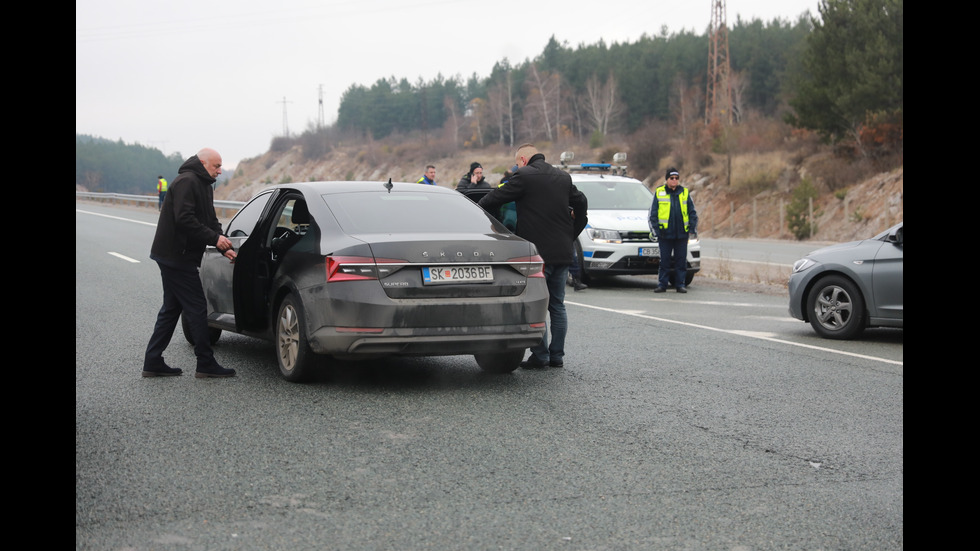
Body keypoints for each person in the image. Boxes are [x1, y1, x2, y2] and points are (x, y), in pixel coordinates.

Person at [479, 144, 588, 369]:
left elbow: (494, 199)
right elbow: (582, 202)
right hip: (562, 252)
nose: (517, 166)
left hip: (537, 255)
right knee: (557, 305)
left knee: (537, 303)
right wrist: (571, 233)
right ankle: (557, 356)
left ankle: (540, 356)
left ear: (522, 160)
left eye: (517, 163)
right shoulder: (562, 177)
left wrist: (474, 213)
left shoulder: (524, 176)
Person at [142, 148, 238, 378]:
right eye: (216, 166)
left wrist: (223, 245)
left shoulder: (204, 184)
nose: (220, 170)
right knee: (196, 307)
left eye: (221, 165)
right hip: (176, 256)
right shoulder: (187, 181)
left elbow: (210, 219)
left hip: (177, 255)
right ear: (203, 163)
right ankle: (205, 363)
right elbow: (184, 219)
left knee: (171, 308)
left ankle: (153, 361)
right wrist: (214, 239)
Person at [648, 167, 698, 293]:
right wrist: (656, 231)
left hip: (681, 234)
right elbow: (652, 215)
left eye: (676, 178)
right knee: (664, 261)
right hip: (665, 235)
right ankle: (662, 284)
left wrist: (691, 229)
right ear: (667, 180)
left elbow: (692, 213)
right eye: (672, 178)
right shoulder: (659, 192)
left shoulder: (685, 193)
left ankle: (680, 285)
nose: (674, 180)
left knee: (681, 261)